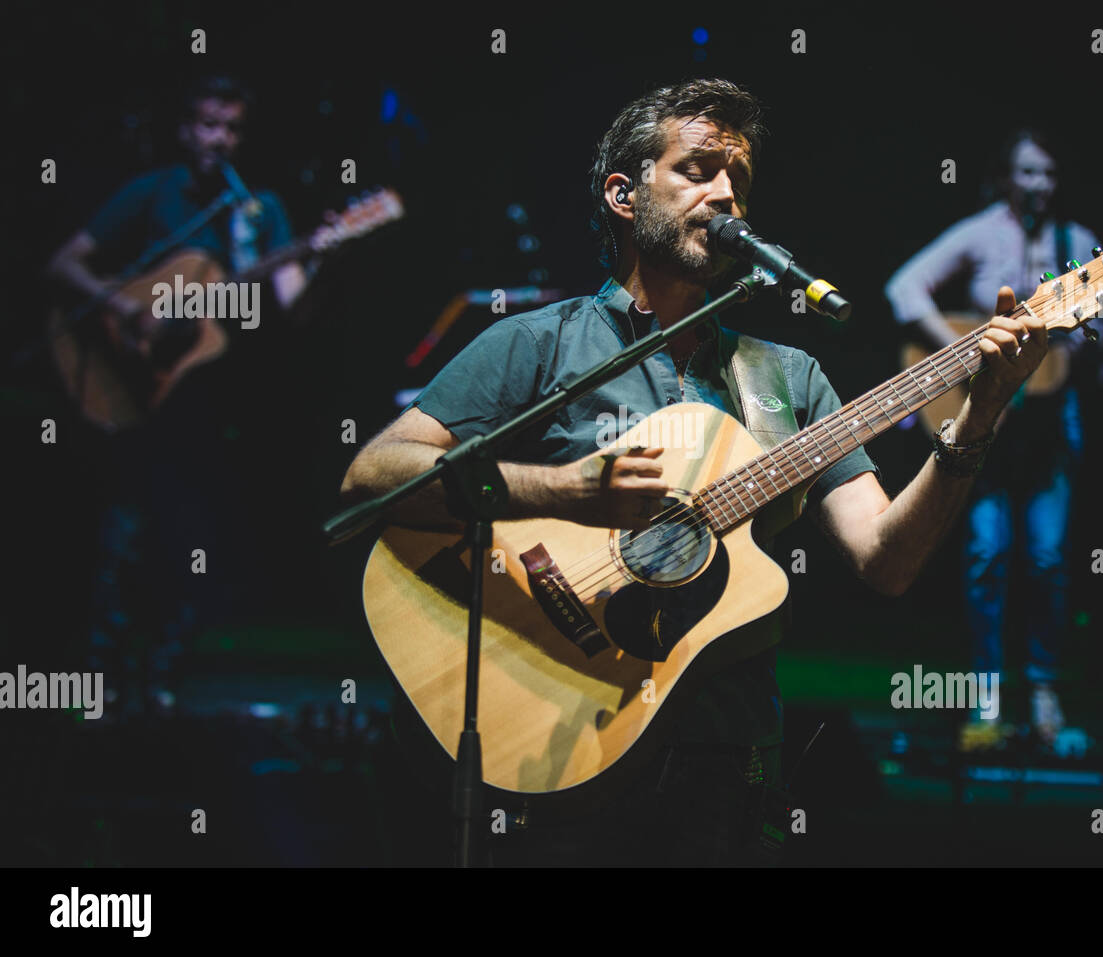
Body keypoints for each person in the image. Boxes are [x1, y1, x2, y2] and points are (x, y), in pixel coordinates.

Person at [341, 79, 1048, 864]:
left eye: (739, 180)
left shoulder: (788, 377)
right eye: (699, 170)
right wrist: (566, 493)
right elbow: (377, 474)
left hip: (731, 762)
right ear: (623, 192)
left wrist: (978, 416)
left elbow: (888, 560)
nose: (726, 196)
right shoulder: (540, 343)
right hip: (559, 730)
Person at [45, 75, 314, 714]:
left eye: (230, 128)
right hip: (133, 386)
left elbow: (292, 309)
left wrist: (323, 255)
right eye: (206, 124)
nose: (217, 138)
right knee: (121, 529)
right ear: (185, 128)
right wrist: (125, 309)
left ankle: (163, 678)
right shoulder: (155, 194)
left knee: (191, 531)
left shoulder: (259, 213)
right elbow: (63, 263)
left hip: (213, 401)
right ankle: (100, 673)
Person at [884, 129, 1103, 748]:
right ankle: (985, 701)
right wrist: (960, 353)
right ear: (1006, 177)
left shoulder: (1081, 245)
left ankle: (1042, 693)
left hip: (1050, 428)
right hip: (989, 424)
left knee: (1047, 559)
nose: (1039, 185)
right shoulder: (981, 231)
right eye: (1028, 172)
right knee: (988, 556)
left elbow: (1101, 347)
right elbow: (904, 287)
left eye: (1049, 174)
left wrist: (1098, 341)